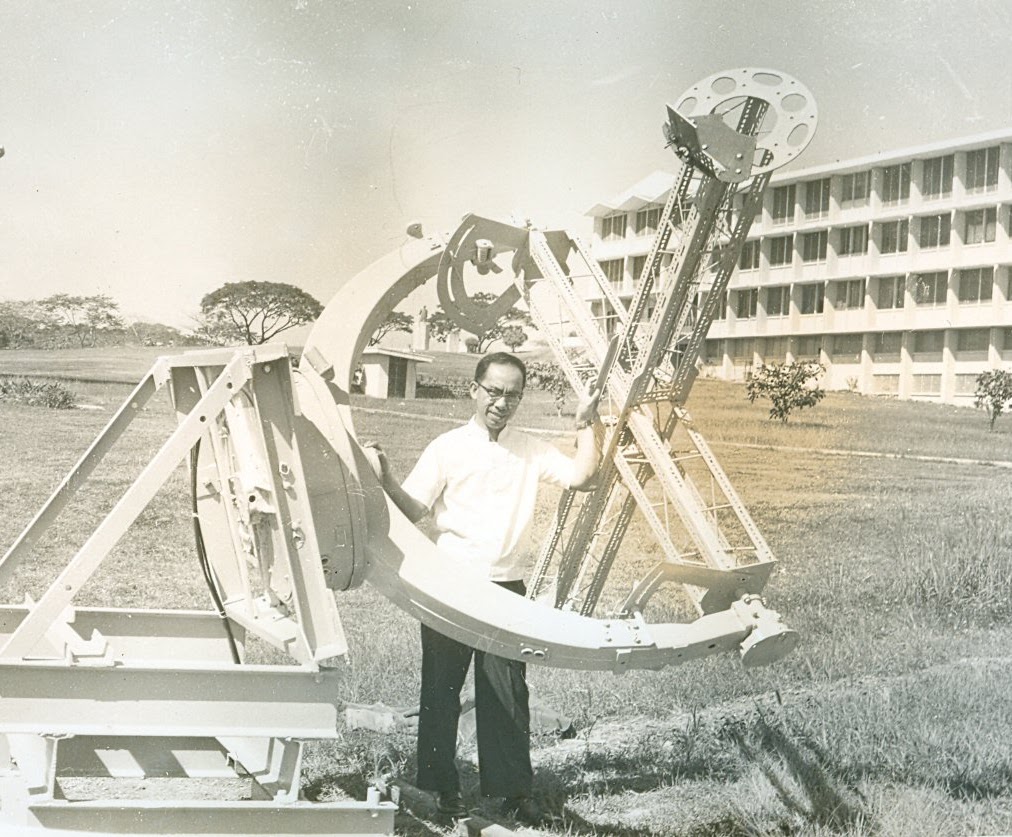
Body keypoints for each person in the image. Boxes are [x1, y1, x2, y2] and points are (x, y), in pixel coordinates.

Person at [371, 351, 601, 824]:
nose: (501, 402)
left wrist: (587, 425)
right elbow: (416, 508)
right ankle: (438, 791)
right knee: (441, 691)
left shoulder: (529, 448)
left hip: (506, 590)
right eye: (493, 391)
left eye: (512, 394)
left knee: (508, 694)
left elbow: (581, 476)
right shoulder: (447, 447)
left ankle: (513, 795)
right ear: (473, 390)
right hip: (451, 585)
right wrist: (387, 476)